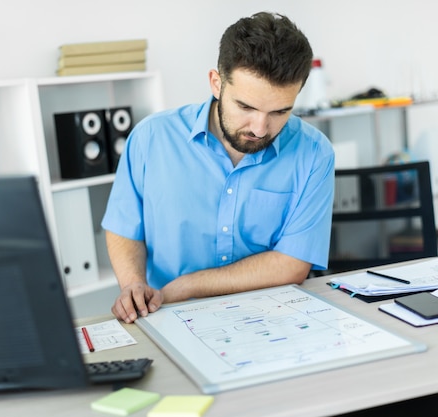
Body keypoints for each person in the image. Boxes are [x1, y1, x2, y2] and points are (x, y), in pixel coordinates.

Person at [101, 11, 335, 324]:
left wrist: (186, 287)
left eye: (280, 112)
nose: (261, 128)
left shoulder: (315, 152)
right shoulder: (150, 138)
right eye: (246, 107)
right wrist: (133, 284)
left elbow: (291, 265)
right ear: (216, 83)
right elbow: (123, 227)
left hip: (273, 318)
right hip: (167, 315)